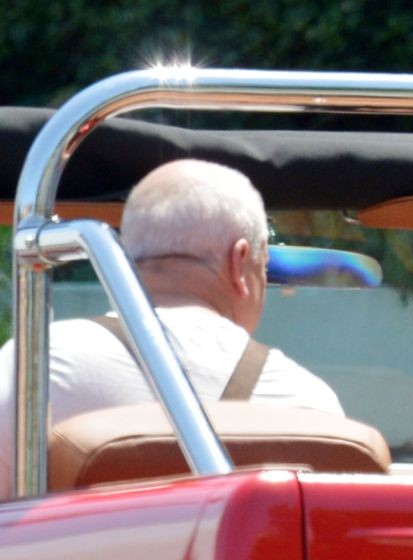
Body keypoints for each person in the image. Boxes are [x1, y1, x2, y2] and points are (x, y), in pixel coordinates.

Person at [0, 157, 343, 492]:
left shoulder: (35, 364)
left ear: (124, 254)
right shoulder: (309, 403)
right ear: (239, 261)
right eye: (264, 266)